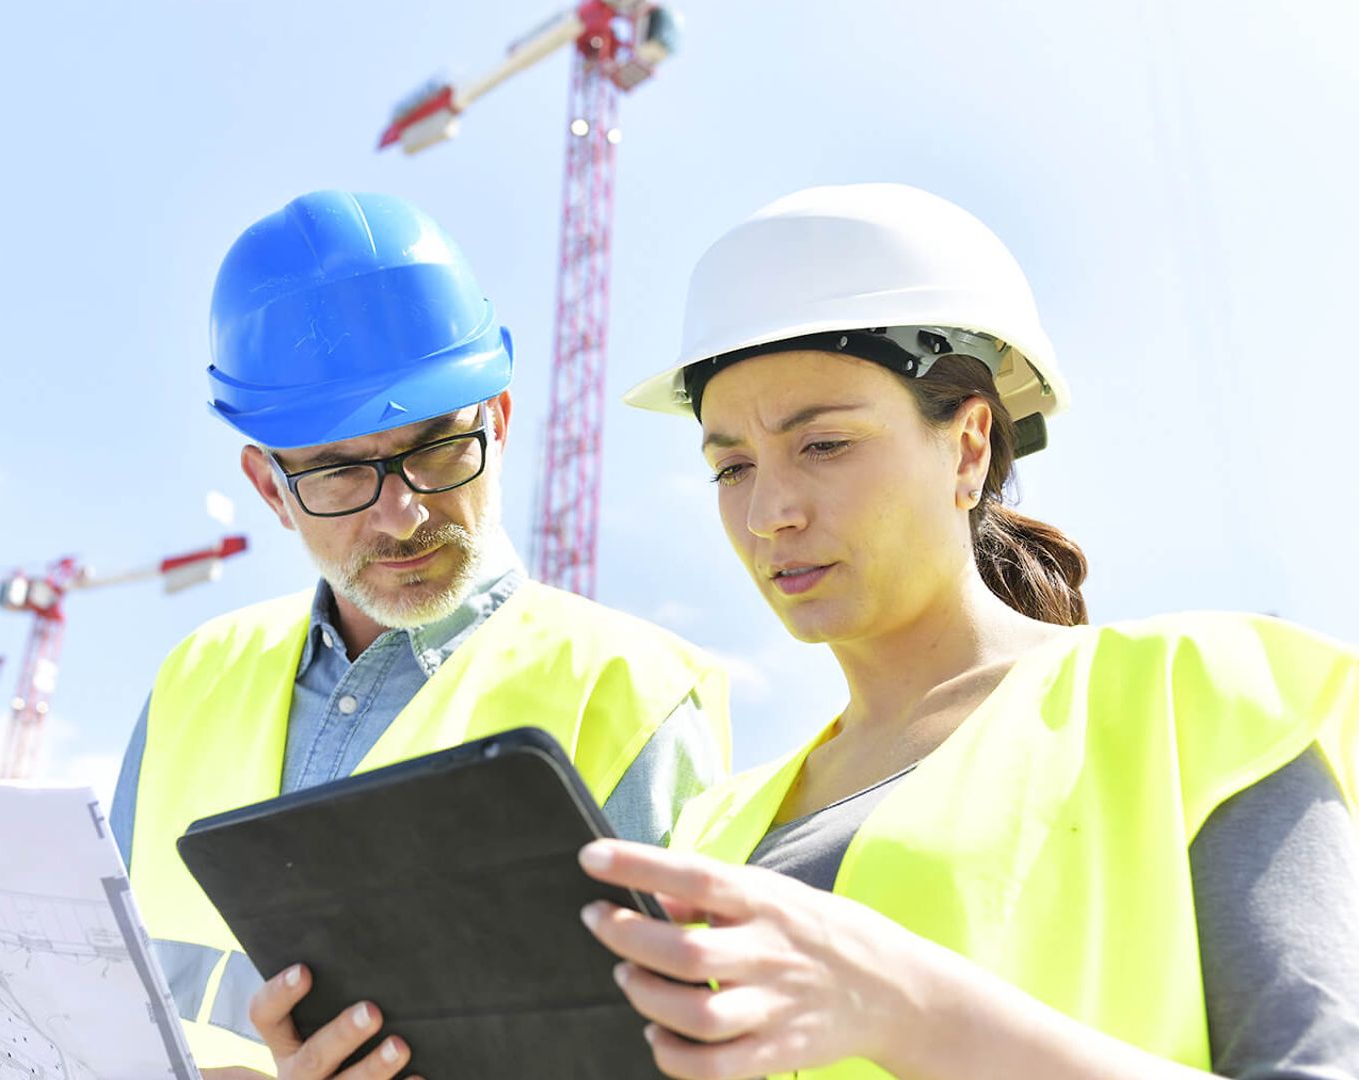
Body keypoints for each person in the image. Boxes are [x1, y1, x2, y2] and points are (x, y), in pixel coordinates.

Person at [247, 183, 1359, 1079]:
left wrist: (908, 1009)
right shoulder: (714, 830)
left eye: (823, 444)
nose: (770, 508)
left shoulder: (1196, 698)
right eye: (730, 464)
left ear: (968, 447)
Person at [0, 190, 730, 1075]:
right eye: (341, 473)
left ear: (501, 420)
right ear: (268, 487)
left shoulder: (636, 692)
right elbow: (90, 996)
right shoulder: (200, 674)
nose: (400, 513)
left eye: (437, 449)